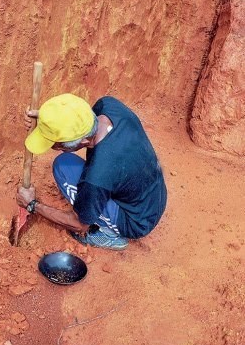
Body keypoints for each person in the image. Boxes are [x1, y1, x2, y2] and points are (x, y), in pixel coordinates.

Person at [16, 94, 167, 250]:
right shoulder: (110, 106)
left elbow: (79, 224)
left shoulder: (97, 177)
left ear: (83, 142)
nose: (53, 147)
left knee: (64, 171)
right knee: (65, 163)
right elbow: (77, 115)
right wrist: (48, 121)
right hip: (153, 193)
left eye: (55, 145)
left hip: (137, 219)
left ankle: (108, 234)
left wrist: (31, 204)